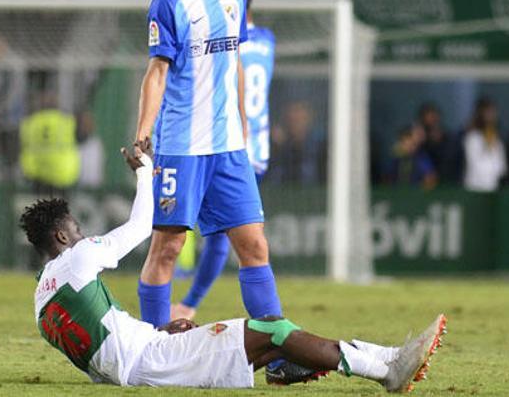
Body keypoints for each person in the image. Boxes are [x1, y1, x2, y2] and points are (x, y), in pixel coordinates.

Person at [22, 138, 447, 391]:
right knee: (273, 328)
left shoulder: (42, 303)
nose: (82, 235)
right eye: (77, 229)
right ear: (62, 237)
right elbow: (139, 227)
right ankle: (388, 366)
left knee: (274, 338)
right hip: (157, 361)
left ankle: (299, 363)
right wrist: (144, 171)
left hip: (143, 364)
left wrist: (159, 331)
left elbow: (101, 350)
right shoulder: (77, 257)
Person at [134, 0, 315, 384]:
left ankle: (276, 356)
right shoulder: (168, 2)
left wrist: (243, 125)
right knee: (168, 247)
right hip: (181, 145)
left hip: (229, 147)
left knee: (254, 245)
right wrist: (143, 132)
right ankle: (154, 351)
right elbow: (157, 72)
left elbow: (232, 61)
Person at [170, 0, 275, 321]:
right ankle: (190, 302)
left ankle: (187, 304)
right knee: (234, 237)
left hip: (223, 140)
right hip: (256, 145)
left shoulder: (225, 40)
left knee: (212, 235)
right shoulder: (268, 41)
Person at [462, 97, 507, 191]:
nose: (492, 115)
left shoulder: (496, 138)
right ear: (480, 114)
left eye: (493, 112)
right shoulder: (472, 137)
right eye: (488, 112)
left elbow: (502, 167)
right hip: (475, 187)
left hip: (493, 188)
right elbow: (475, 164)